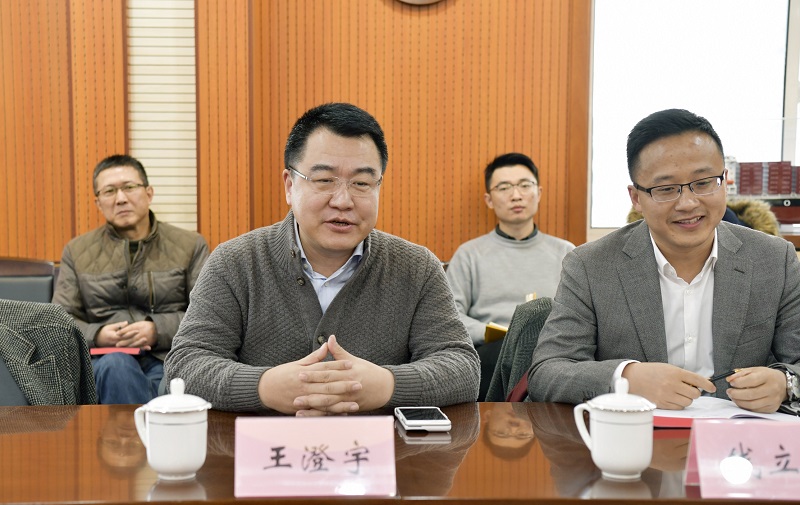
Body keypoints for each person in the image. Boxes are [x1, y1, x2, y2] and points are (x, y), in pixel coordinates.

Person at [164, 102, 480, 414]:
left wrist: (386, 385)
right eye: (324, 180)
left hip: (378, 446)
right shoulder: (234, 262)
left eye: (361, 183)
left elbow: (463, 368)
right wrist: (264, 387)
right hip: (264, 445)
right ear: (290, 186)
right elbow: (185, 366)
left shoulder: (417, 267)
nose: (343, 201)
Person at [528, 108, 800, 413]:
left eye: (703, 182)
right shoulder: (590, 266)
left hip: (738, 438)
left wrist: (786, 383)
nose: (688, 203)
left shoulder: (775, 260)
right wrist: (626, 378)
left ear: (724, 181)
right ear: (636, 198)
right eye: (666, 189)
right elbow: (548, 372)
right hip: (632, 435)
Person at [53, 155, 209, 404]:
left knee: (175, 377)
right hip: (106, 360)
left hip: (167, 354)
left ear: (149, 193)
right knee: (117, 366)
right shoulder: (77, 251)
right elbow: (60, 321)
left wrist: (157, 330)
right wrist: (98, 334)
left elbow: (207, 315)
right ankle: (143, 429)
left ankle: (132, 429)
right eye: (109, 191)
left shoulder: (190, 245)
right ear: (98, 203)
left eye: (129, 187)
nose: (121, 198)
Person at [446, 153, 574, 399]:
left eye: (525, 185)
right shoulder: (469, 254)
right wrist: (490, 332)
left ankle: (515, 418)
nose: (516, 195)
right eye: (504, 188)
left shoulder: (566, 253)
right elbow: (451, 316)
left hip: (550, 350)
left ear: (539, 192)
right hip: (492, 352)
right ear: (489, 199)